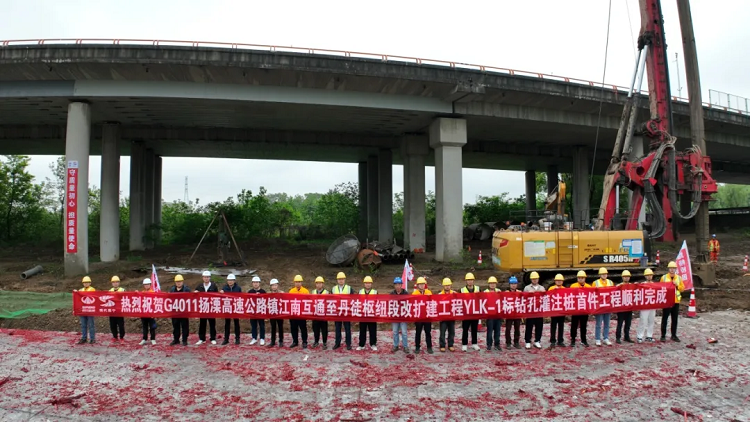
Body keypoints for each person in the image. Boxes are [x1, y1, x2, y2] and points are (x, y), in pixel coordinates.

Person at [660, 261, 685, 342]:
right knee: (665, 319)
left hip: (675, 301)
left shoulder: (679, 278)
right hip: (667, 301)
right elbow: (660, 288)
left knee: (674, 319)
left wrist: (677, 285)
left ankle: (674, 335)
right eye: (670, 268)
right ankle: (663, 335)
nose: (672, 270)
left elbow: (682, 288)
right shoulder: (664, 278)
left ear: (675, 269)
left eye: (673, 268)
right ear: (668, 269)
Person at [195, 270, 218, 345]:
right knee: (202, 324)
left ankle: (213, 338)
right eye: (205, 277)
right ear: (202, 278)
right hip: (203, 308)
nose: (206, 278)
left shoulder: (213, 286)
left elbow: (217, 297)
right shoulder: (200, 286)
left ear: (210, 278)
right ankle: (202, 338)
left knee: (212, 324)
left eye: (207, 277)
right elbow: (195, 296)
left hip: (211, 308)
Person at [592, 267, 614, 346]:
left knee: (607, 323)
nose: (604, 275)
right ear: (600, 275)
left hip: (608, 306)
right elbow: (593, 294)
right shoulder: (596, 283)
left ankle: (606, 338)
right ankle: (598, 339)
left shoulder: (610, 282)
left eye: (605, 274)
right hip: (600, 306)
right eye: (603, 274)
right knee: (598, 323)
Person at [332, 272, 353, 350]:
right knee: (337, 328)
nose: (341, 281)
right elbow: (331, 300)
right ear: (337, 280)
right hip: (337, 312)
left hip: (346, 312)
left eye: (342, 279)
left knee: (347, 329)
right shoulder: (333, 289)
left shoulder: (349, 288)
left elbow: (353, 300)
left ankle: (348, 344)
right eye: (339, 279)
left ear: (345, 280)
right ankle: (337, 343)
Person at [523, 272, 545, 349]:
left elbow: (545, 298)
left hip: (539, 311)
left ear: (538, 279)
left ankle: (537, 341)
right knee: (529, 326)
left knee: (539, 326)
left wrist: (543, 294)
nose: (535, 280)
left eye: (536, 279)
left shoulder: (542, 288)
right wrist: (528, 294)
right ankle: (528, 341)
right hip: (530, 311)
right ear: (531, 279)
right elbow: (523, 299)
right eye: (533, 279)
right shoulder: (527, 288)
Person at [460, 272, 481, 352]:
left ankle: (474, 343)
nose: (470, 281)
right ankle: (464, 344)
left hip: (475, 313)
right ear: (466, 281)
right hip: (466, 313)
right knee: (465, 329)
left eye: (471, 280)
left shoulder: (478, 289)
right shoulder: (462, 290)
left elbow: (482, 299)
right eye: (468, 280)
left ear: (473, 280)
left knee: (474, 329)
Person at [412, 277, 433, 354]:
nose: (421, 285)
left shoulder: (429, 292)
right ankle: (417, 347)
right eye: (420, 284)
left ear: (425, 284)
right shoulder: (414, 294)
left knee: (428, 332)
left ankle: (429, 347)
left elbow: (432, 303)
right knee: (418, 332)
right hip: (419, 316)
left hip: (427, 316)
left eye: (423, 284)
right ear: (417, 285)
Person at [569, 271, 591, 347]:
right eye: (579, 278)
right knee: (574, 325)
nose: (580, 279)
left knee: (584, 325)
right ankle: (573, 339)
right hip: (575, 309)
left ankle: (583, 340)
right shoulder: (573, 286)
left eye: (582, 278)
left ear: (585, 278)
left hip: (584, 310)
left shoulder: (589, 287)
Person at [288, 275, 310, 349]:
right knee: (293, 328)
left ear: (301, 282)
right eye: (296, 282)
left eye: (299, 282)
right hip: (293, 314)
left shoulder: (305, 291)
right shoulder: (291, 291)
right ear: (294, 283)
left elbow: (309, 302)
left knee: (303, 328)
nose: (298, 283)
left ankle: (304, 341)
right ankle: (295, 341)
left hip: (302, 314)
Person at [220, 274, 243, 345]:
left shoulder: (238, 288)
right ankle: (226, 339)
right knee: (227, 324)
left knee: (236, 323)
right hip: (227, 308)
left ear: (234, 281)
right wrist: (221, 293)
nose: (230, 282)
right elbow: (220, 298)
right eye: (228, 280)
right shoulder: (224, 288)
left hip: (235, 307)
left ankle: (237, 339)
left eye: (231, 280)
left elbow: (241, 297)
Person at [636, 268, 657, 343]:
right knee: (643, 320)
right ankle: (639, 336)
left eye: (650, 275)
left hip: (653, 305)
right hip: (645, 305)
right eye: (647, 275)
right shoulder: (642, 284)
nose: (649, 277)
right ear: (645, 276)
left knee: (651, 321)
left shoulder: (655, 285)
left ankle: (649, 335)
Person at [357, 276, 378, 351]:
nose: (368, 284)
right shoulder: (360, 292)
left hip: (372, 315)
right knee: (362, 330)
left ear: (371, 284)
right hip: (363, 315)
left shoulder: (375, 292)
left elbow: (378, 303)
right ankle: (361, 344)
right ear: (364, 284)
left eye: (369, 283)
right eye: (366, 283)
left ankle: (373, 344)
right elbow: (357, 302)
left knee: (372, 330)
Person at [169, 274, 190, 346]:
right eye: (177, 281)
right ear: (175, 282)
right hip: (175, 312)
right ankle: (176, 339)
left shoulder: (187, 289)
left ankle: (184, 340)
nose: (179, 283)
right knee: (175, 326)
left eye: (180, 281)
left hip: (184, 312)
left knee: (185, 326)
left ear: (182, 281)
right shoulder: (172, 290)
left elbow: (191, 299)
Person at [390, 277, 409, 353]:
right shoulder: (392, 294)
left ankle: (405, 346)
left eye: (399, 284)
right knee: (395, 332)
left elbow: (409, 303)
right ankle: (395, 345)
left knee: (404, 332)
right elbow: (389, 304)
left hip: (403, 316)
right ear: (394, 285)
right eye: (396, 284)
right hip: (395, 316)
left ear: (401, 285)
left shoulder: (406, 293)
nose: (398, 286)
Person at [615, 270, 634, 344]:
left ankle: (627, 337)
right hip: (621, 308)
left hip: (629, 307)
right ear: (622, 277)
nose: (626, 278)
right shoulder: (619, 286)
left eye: (628, 277)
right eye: (625, 277)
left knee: (628, 323)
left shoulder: (632, 286)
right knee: (620, 323)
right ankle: (618, 337)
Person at [484, 276, 502, 351]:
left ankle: (497, 344)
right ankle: (489, 344)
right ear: (488, 284)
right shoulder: (485, 292)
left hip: (497, 314)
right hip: (490, 315)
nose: (492, 285)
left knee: (497, 330)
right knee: (489, 331)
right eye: (491, 283)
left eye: (494, 283)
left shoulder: (499, 291)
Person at [547, 274, 566, 347]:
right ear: (555, 281)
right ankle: (552, 340)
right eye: (557, 280)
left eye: (560, 280)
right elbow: (548, 297)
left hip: (561, 311)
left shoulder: (564, 289)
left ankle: (560, 340)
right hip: (554, 310)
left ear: (562, 281)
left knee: (561, 326)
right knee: (553, 326)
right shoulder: (551, 288)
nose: (558, 282)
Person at [438, 278, 456, 352]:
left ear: (451, 285)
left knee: (451, 332)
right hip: (443, 317)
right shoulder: (439, 295)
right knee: (442, 332)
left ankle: (450, 345)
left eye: (448, 285)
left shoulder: (454, 294)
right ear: (443, 286)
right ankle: (442, 345)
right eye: (446, 285)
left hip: (451, 316)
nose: (447, 287)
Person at [311, 276, 329, 349]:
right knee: (315, 329)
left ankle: (324, 342)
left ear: (322, 284)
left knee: (324, 329)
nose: (318, 285)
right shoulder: (313, 292)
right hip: (315, 314)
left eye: (320, 283)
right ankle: (316, 341)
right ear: (315, 284)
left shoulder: (326, 292)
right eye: (317, 283)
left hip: (323, 315)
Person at [77, 276, 96, 344]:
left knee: (91, 325)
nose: (86, 284)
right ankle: (84, 337)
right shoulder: (80, 290)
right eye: (84, 282)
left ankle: (92, 338)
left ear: (90, 283)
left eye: (87, 282)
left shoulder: (92, 289)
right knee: (83, 325)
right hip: (82, 310)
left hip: (90, 310)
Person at [247, 276, 266, 346]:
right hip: (252, 311)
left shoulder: (263, 291)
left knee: (261, 325)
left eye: (257, 282)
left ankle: (262, 338)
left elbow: (266, 301)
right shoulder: (250, 292)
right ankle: (254, 338)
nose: (255, 284)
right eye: (254, 282)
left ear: (259, 283)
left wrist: (260, 296)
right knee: (253, 325)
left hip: (260, 311)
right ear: (252, 283)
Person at [504, 276, 522, 349]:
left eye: (515, 284)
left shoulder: (520, 292)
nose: (513, 285)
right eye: (512, 284)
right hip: (509, 313)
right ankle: (508, 343)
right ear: (509, 285)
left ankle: (516, 342)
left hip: (517, 313)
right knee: (508, 329)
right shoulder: (506, 293)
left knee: (517, 328)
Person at [267, 278, 284, 347]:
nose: (274, 287)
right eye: (272, 285)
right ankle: (273, 341)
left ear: (278, 285)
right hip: (272, 313)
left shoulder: (282, 293)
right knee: (273, 327)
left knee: (280, 327)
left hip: (280, 313)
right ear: (271, 286)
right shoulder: (268, 294)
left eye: (275, 285)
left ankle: (281, 341)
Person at [139, 278, 157, 346]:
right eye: (145, 284)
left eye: (147, 284)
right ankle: (144, 339)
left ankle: (153, 339)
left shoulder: (153, 292)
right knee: (144, 326)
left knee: (152, 327)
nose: (146, 286)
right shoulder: (142, 292)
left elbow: (155, 302)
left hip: (151, 313)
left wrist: (154, 312)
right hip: (144, 313)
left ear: (150, 285)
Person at [108, 276, 125, 342]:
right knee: (112, 325)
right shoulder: (110, 291)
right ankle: (115, 336)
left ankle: (121, 337)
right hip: (112, 311)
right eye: (114, 282)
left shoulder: (123, 290)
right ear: (112, 283)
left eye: (117, 282)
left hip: (120, 311)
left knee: (121, 325)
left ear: (119, 283)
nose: (115, 283)